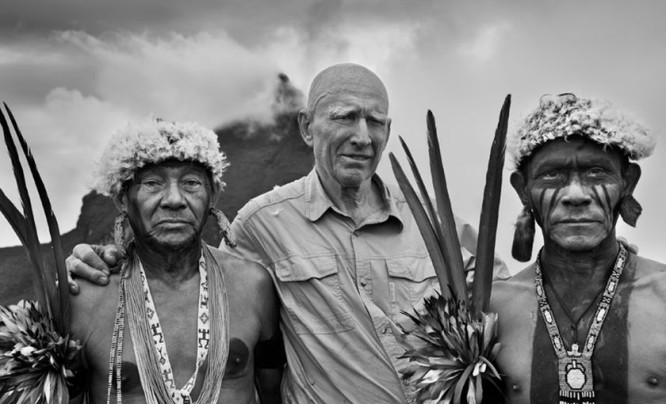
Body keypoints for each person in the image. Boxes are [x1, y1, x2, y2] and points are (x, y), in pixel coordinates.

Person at [68, 63, 509, 403]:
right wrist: (98, 260)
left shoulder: (438, 226)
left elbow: (503, 314)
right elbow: (185, 276)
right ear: (305, 126)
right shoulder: (263, 225)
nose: (362, 136)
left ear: (388, 131)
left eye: (375, 122)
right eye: (344, 117)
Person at [68, 119, 283, 403]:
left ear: (213, 195)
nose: (174, 199)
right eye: (153, 183)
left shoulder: (253, 286)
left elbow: (274, 395)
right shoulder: (84, 298)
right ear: (122, 198)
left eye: (191, 183)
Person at [491, 93, 665, 403]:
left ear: (628, 182)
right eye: (552, 174)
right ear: (523, 190)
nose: (575, 195)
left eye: (597, 172)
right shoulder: (492, 311)